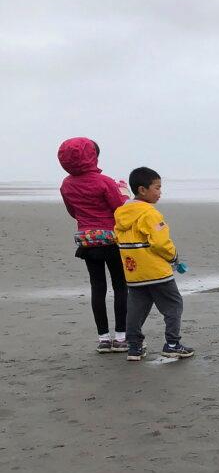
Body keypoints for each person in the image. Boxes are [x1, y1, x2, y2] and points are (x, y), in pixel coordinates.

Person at [114, 166, 194, 361]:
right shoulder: (150, 214)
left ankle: (134, 347)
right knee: (173, 305)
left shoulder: (122, 213)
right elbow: (160, 242)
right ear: (143, 190)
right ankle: (172, 344)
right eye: (157, 188)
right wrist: (173, 257)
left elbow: (117, 237)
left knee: (136, 309)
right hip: (156, 271)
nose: (160, 192)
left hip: (133, 271)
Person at [58, 137, 129, 354]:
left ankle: (103, 339)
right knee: (120, 286)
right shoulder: (104, 182)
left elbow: (73, 212)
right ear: (92, 156)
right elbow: (119, 209)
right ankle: (121, 337)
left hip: (88, 241)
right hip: (111, 240)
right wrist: (124, 193)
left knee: (97, 288)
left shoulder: (67, 184)